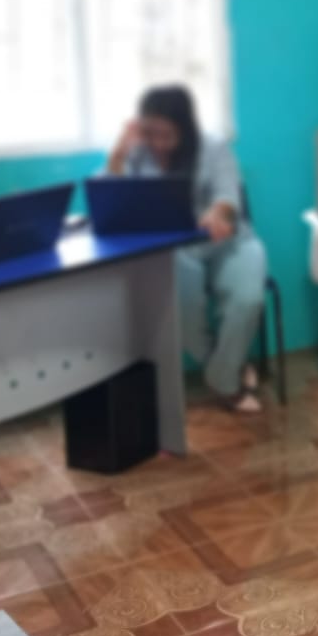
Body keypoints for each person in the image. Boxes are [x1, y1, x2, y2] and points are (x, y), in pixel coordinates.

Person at [108, 85, 269, 413]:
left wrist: (220, 213)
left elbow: (227, 196)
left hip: (229, 240)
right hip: (175, 248)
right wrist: (119, 154)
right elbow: (112, 200)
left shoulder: (213, 147)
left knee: (249, 298)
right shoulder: (137, 153)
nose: (158, 143)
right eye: (150, 133)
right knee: (178, 307)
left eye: (166, 134)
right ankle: (226, 375)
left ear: (185, 128)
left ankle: (222, 377)